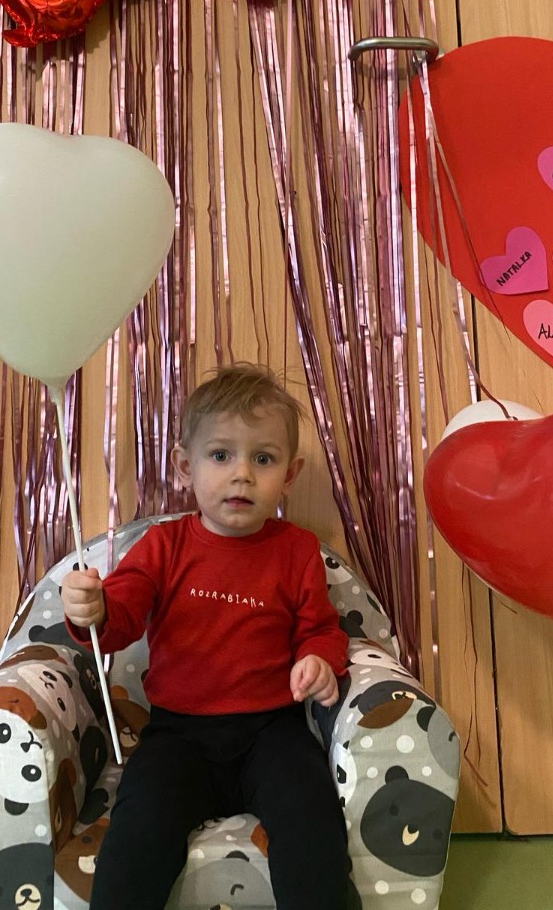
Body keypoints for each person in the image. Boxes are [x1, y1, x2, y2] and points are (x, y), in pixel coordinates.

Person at [61, 362, 351, 910]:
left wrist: (318, 660)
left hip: (275, 734)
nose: (242, 475)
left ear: (289, 474)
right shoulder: (162, 546)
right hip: (178, 738)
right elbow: (119, 618)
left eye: (263, 459)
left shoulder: (297, 550)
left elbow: (322, 630)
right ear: (183, 466)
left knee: (312, 821)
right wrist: (91, 609)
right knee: (138, 832)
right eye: (220, 455)